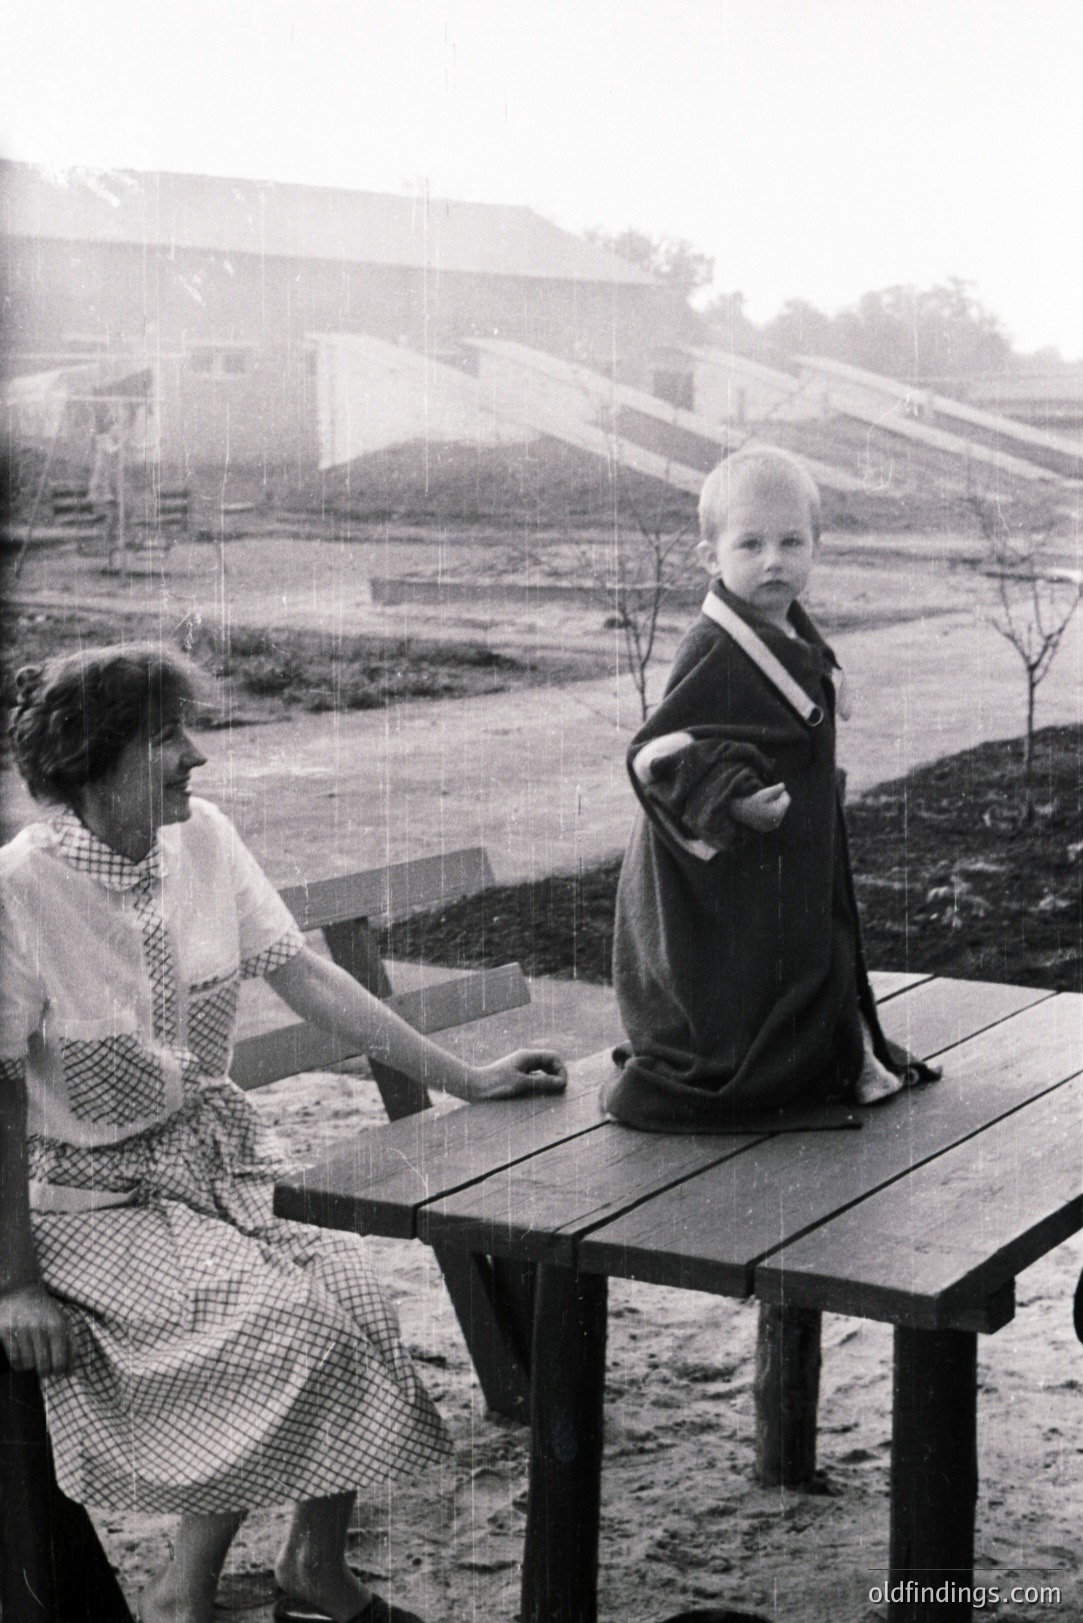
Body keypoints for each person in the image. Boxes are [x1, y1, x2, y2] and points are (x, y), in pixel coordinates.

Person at [0, 644, 567, 1623]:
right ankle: (186, 1594)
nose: (196, 758)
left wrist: (468, 1078)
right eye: (165, 738)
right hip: (89, 1205)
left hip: (213, 1165)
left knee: (356, 1295)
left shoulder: (205, 839)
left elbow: (304, 974)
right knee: (290, 1330)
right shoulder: (19, 891)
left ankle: (312, 1568)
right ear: (94, 762)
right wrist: (12, 1283)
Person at [605, 447, 936, 1131]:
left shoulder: (785, 629)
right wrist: (727, 796)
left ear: (816, 546)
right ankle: (759, 1059)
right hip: (724, 872)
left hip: (790, 856)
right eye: (749, 544)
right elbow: (660, 756)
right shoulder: (713, 645)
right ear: (709, 555)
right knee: (747, 977)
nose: (772, 561)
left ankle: (833, 1052)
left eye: (791, 542)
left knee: (809, 946)